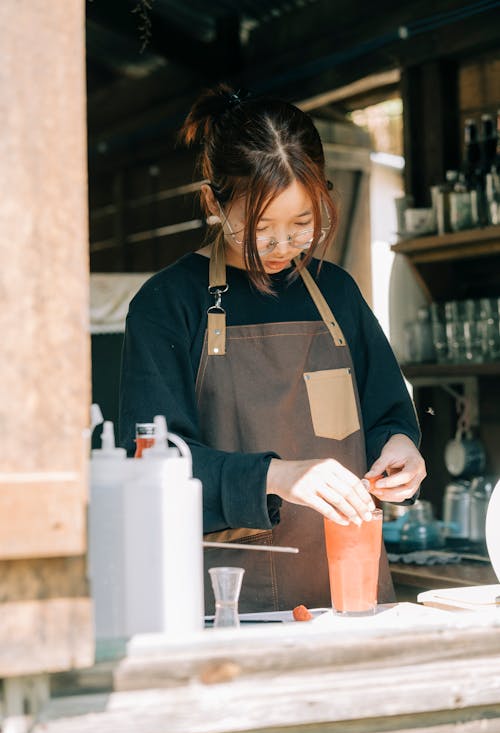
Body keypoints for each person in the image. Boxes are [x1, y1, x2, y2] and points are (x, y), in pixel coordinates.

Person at [119, 83, 426, 614]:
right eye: (261, 229)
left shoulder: (337, 294)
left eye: (302, 225)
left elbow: (386, 414)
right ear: (215, 202)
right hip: (224, 608)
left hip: (347, 601)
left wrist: (400, 446)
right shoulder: (167, 304)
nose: (283, 247)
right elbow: (150, 463)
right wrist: (275, 476)